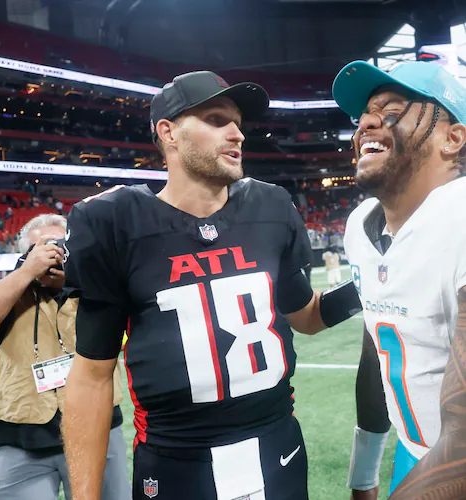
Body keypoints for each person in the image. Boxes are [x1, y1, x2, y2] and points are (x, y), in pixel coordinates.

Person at [62, 71, 362, 500]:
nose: (236, 133)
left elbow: (308, 316)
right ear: (168, 132)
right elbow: (91, 376)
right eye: (217, 119)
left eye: (238, 122)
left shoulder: (271, 205)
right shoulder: (113, 221)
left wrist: (368, 286)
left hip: (277, 447)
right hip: (177, 461)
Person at [332, 60, 466, 499]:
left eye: (392, 108)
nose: (367, 122)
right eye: (364, 114)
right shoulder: (362, 225)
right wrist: (363, 474)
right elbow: (379, 344)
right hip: (419, 451)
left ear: (453, 137)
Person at [0, 214, 131, 500]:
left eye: (61, 246)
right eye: (41, 248)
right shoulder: (7, 294)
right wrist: (25, 273)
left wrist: (78, 279)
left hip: (98, 432)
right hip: (19, 440)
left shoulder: (96, 289)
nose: (52, 253)